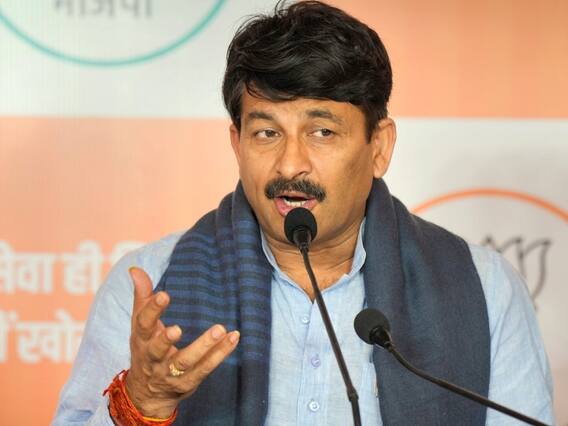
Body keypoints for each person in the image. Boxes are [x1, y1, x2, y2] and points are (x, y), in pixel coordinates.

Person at [53, 1, 554, 425]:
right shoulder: (150, 288)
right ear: (237, 144)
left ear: (379, 147)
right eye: (266, 133)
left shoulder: (484, 290)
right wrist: (143, 403)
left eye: (322, 132)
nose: (290, 164)